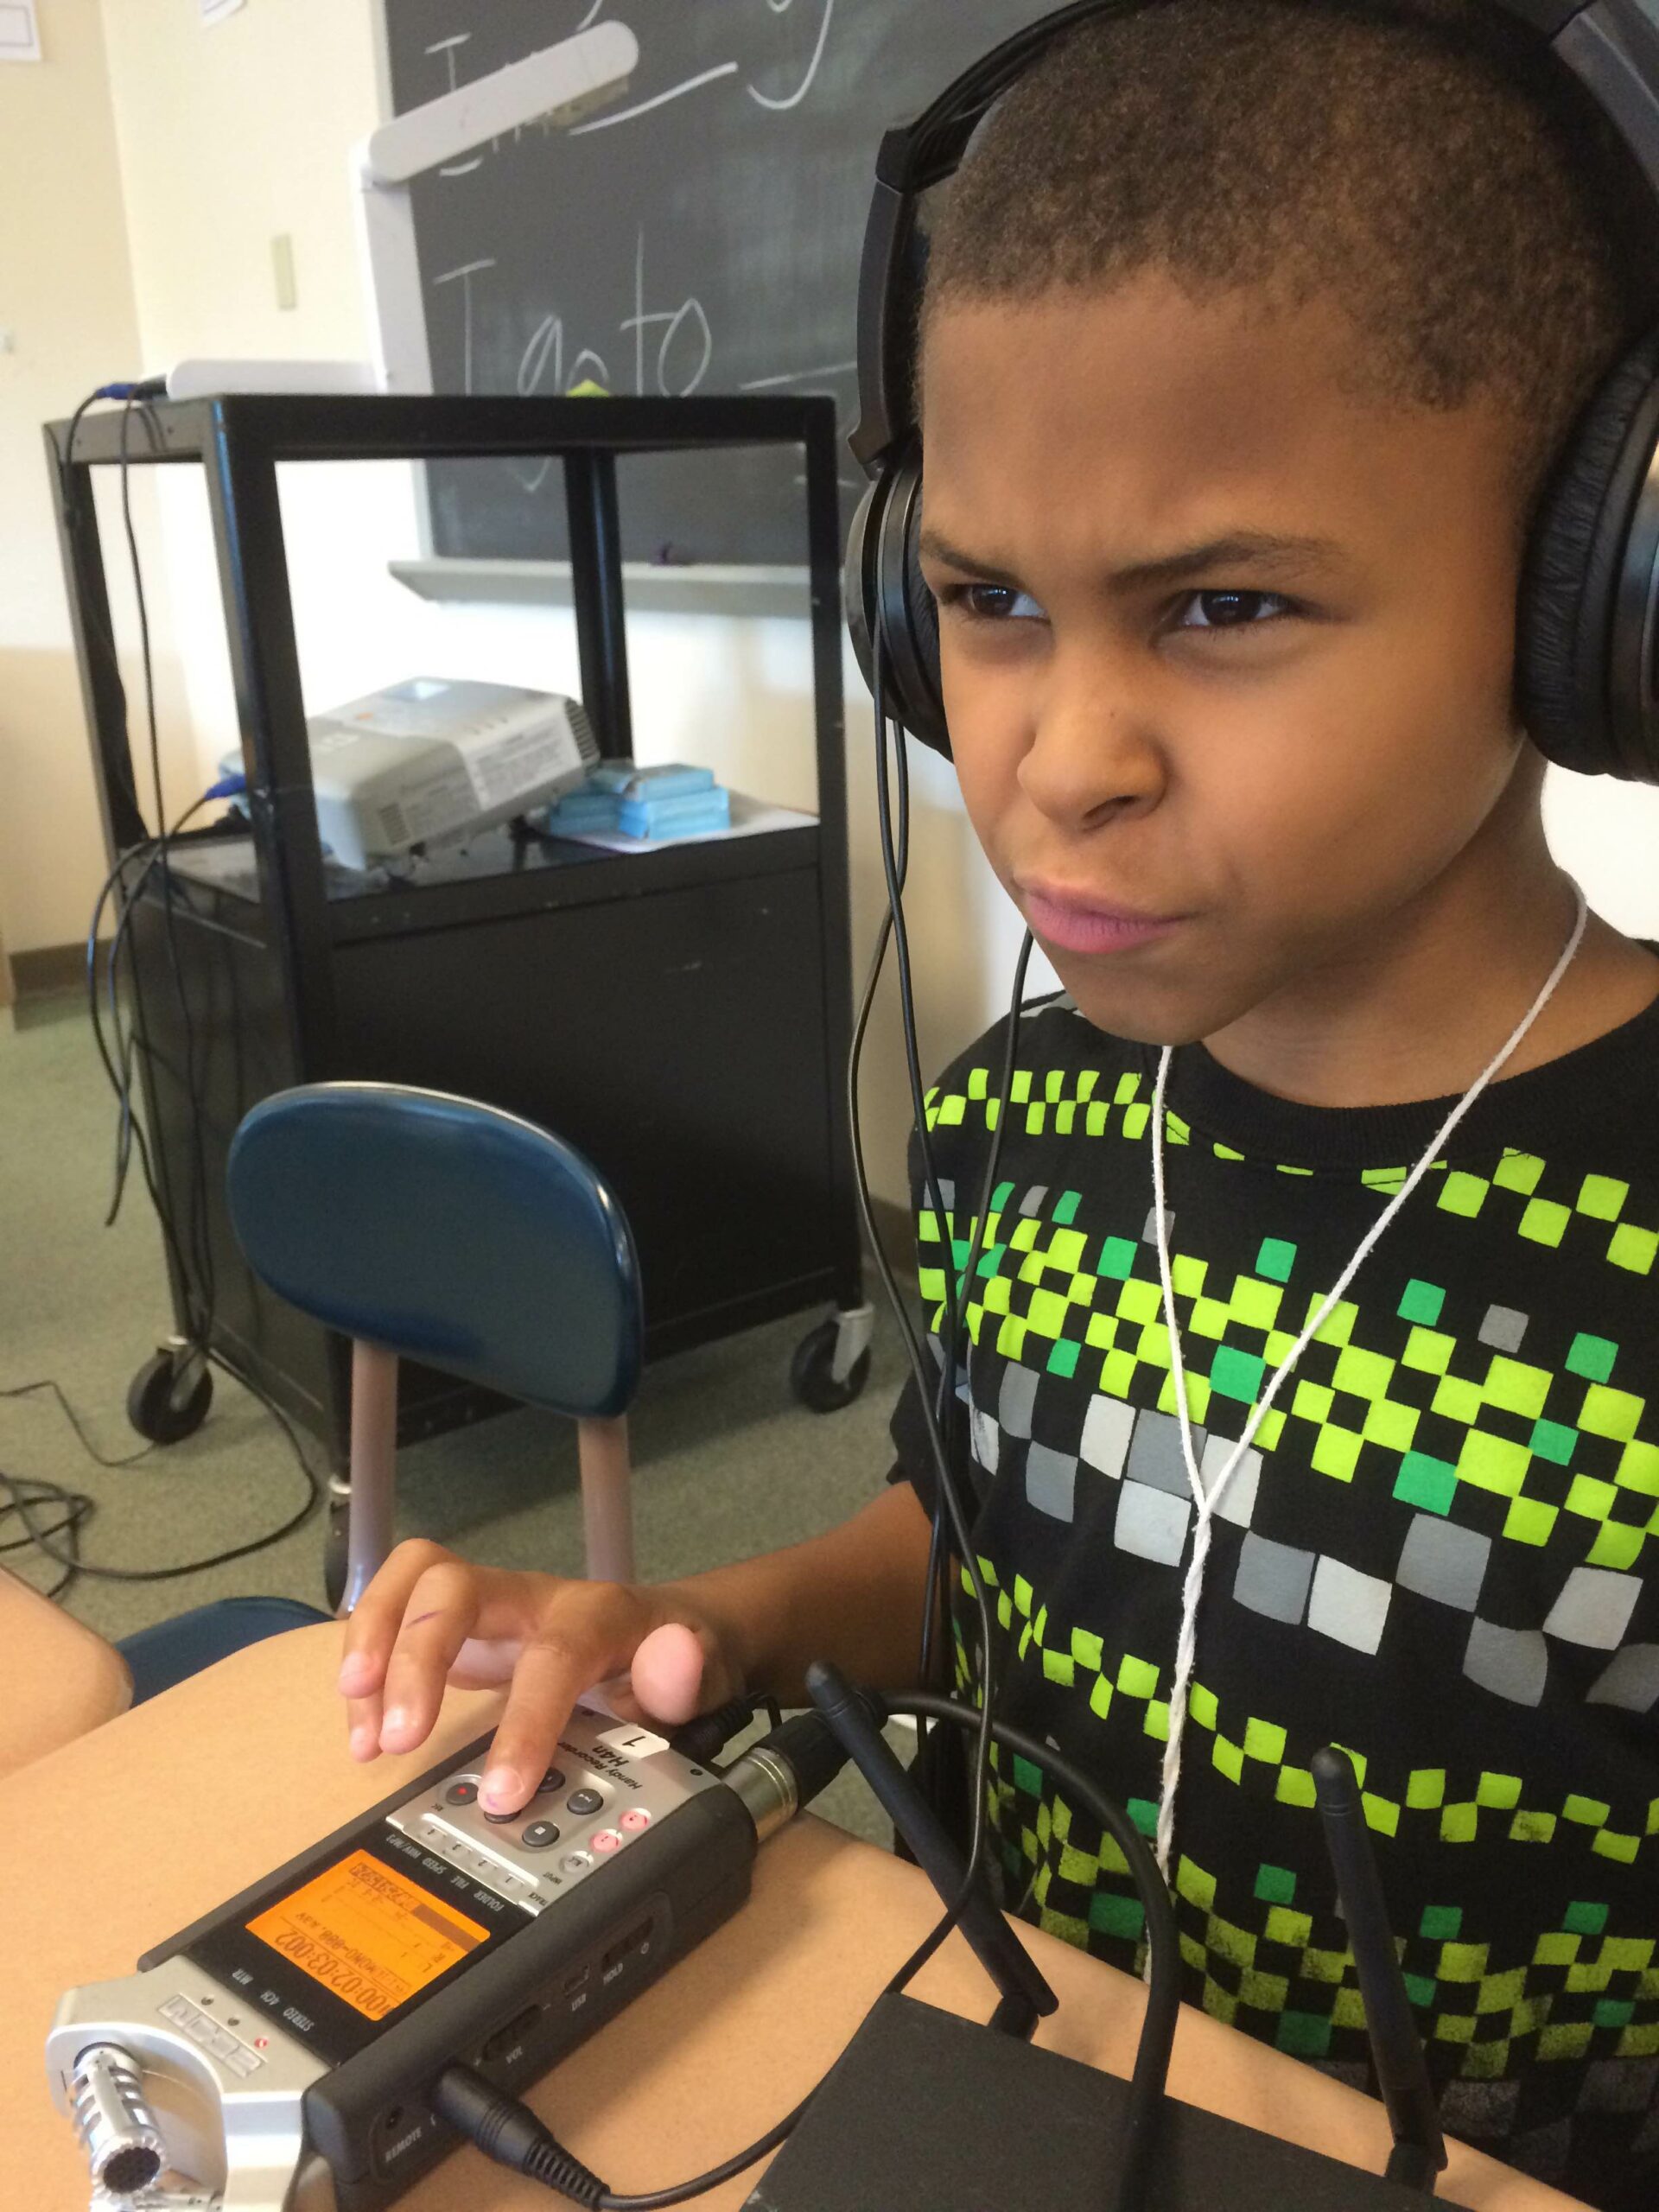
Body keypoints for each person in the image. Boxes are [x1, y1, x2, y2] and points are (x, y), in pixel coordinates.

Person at [337, 4, 1659, 2201]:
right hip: (1015, 2106)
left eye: (1224, 603)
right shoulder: (1025, 1121)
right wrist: (721, 1625)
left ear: (1576, 608)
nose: (1057, 755)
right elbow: (979, 1549)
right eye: (986, 600)